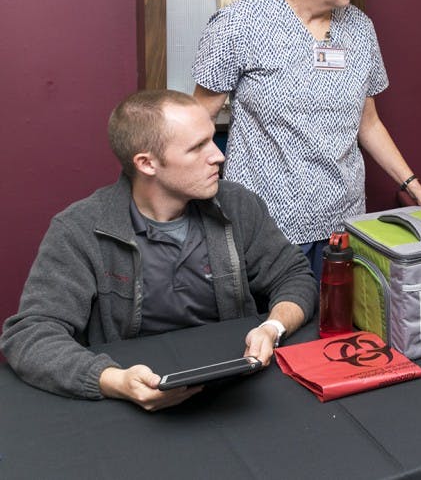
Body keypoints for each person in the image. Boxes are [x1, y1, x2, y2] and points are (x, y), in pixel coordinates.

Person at [1, 90, 317, 410]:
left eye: (212, 139)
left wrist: (272, 327)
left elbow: (294, 276)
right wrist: (113, 381)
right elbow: (30, 334)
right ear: (147, 163)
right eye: (197, 147)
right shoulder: (79, 229)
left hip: (235, 387)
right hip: (132, 395)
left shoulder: (237, 204)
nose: (218, 156)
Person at [191, 0, 421, 279]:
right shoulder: (240, 24)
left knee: (336, 315)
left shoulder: (359, 29)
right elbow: (196, 123)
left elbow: (369, 124)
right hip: (265, 227)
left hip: (342, 223)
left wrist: (416, 188)